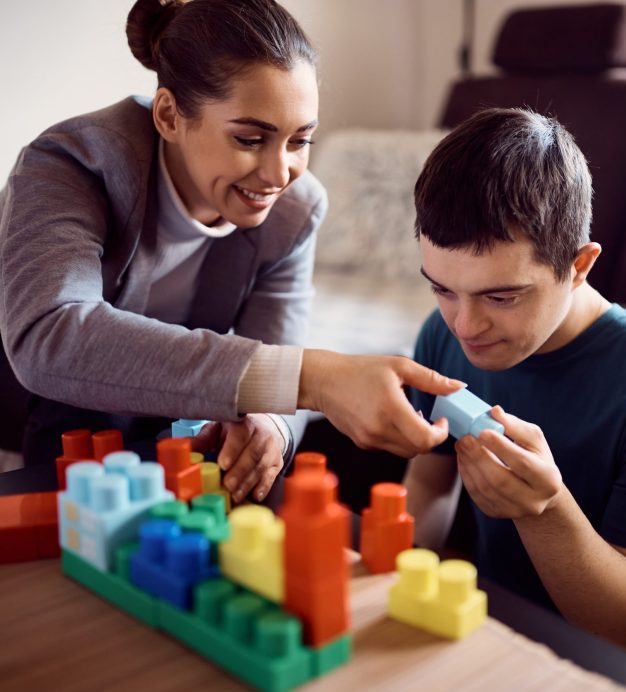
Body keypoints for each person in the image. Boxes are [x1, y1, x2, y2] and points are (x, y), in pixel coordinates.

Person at [0, 0, 460, 502]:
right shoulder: (71, 164)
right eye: (249, 138)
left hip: (170, 423)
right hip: (40, 408)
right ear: (170, 115)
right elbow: (49, 335)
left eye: (299, 141)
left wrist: (268, 425)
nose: (279, 174)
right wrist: (315, 377)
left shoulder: (294, 210)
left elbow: (276, 356)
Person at [405, 107, 626, 671]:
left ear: (579, 265)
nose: (464, 326)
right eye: (443, 289)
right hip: (499, 627)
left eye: (501, 297)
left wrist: (544, 510)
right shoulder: (443, 335)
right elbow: (430, 483)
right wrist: (402, 587)